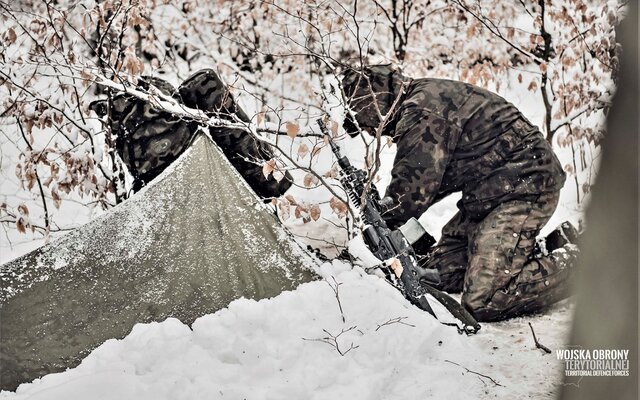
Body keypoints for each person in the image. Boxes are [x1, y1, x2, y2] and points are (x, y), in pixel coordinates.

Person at [342, 64, 579, 322]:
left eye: (364, 123)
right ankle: (540, 249)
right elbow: (434, 181)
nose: (367, 131)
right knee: (438, 271)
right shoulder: (419, 99)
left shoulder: (421, 110)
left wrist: (379, 215)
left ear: (373, 105)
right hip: (489, 193)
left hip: (525, 185)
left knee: (484, 298)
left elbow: (412, 194)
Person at [91, 69, 291, 198]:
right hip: (218, 191)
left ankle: (272, 187)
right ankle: (272, 187)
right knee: (207, 84)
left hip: (160, 197)